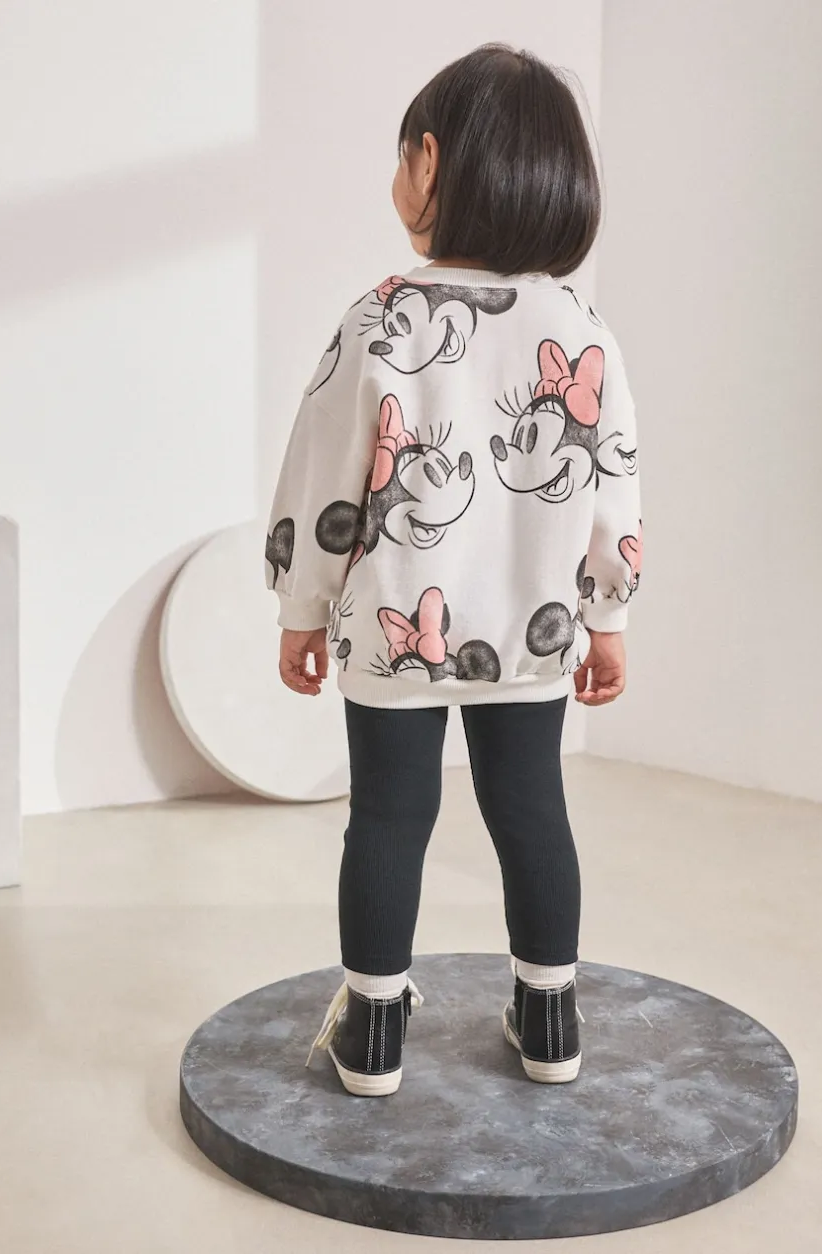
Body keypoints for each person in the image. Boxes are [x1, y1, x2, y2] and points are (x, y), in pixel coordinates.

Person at [266, 44, 642, 1097]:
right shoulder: (580, 327)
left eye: (401, 157)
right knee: (531, 811)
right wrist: (608, 618)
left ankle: (373, 1032)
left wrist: (302, 606)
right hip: (531, 630)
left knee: (389, 817)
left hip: (395, 627)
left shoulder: (379, 318)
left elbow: (324, 482)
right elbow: (611, 482)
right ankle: (550, 1019)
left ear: (428, 163)